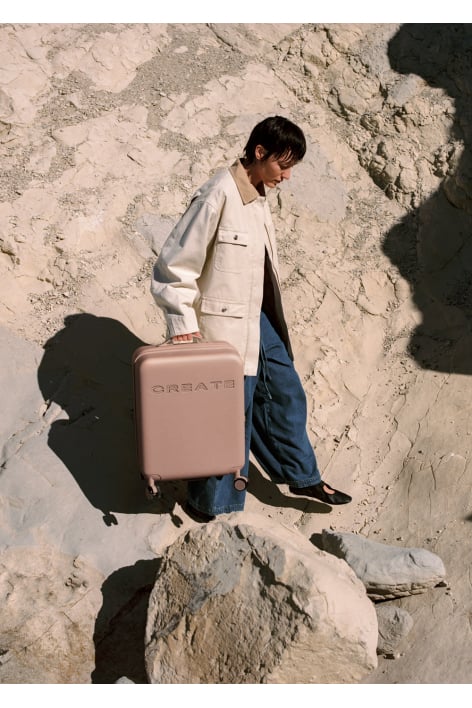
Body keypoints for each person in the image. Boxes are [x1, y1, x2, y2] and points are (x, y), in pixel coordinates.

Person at [151, 115, 352, 522]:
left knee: (286, 391)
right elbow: (173, 267)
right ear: (259, 153)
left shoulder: (257, 195)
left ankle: (300, 474)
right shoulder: (217, 195)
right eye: (283, 165)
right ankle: (208, 505)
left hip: (256, 317)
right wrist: (184, 327)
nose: (287, 176)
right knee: (227, 416)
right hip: (222, 327)